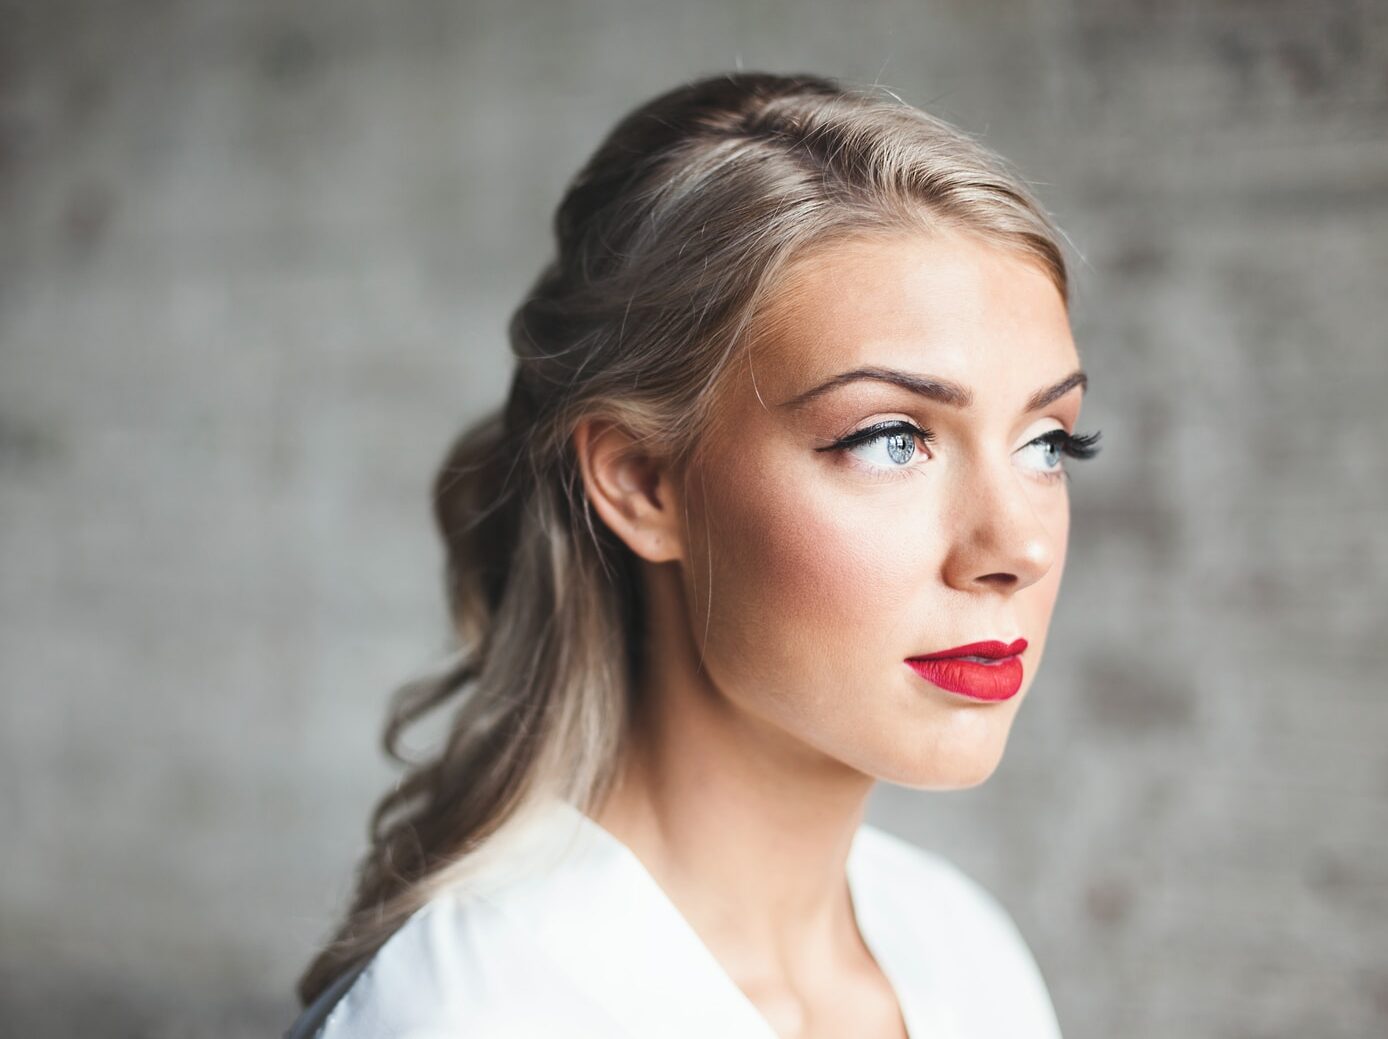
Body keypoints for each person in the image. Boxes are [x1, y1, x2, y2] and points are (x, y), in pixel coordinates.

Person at [286, 70, 1099, 1039]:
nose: (1014, 546)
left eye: (1043, 443)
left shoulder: (967, 957)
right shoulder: (472, 1012)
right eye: (890, 438)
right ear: (640, 482)